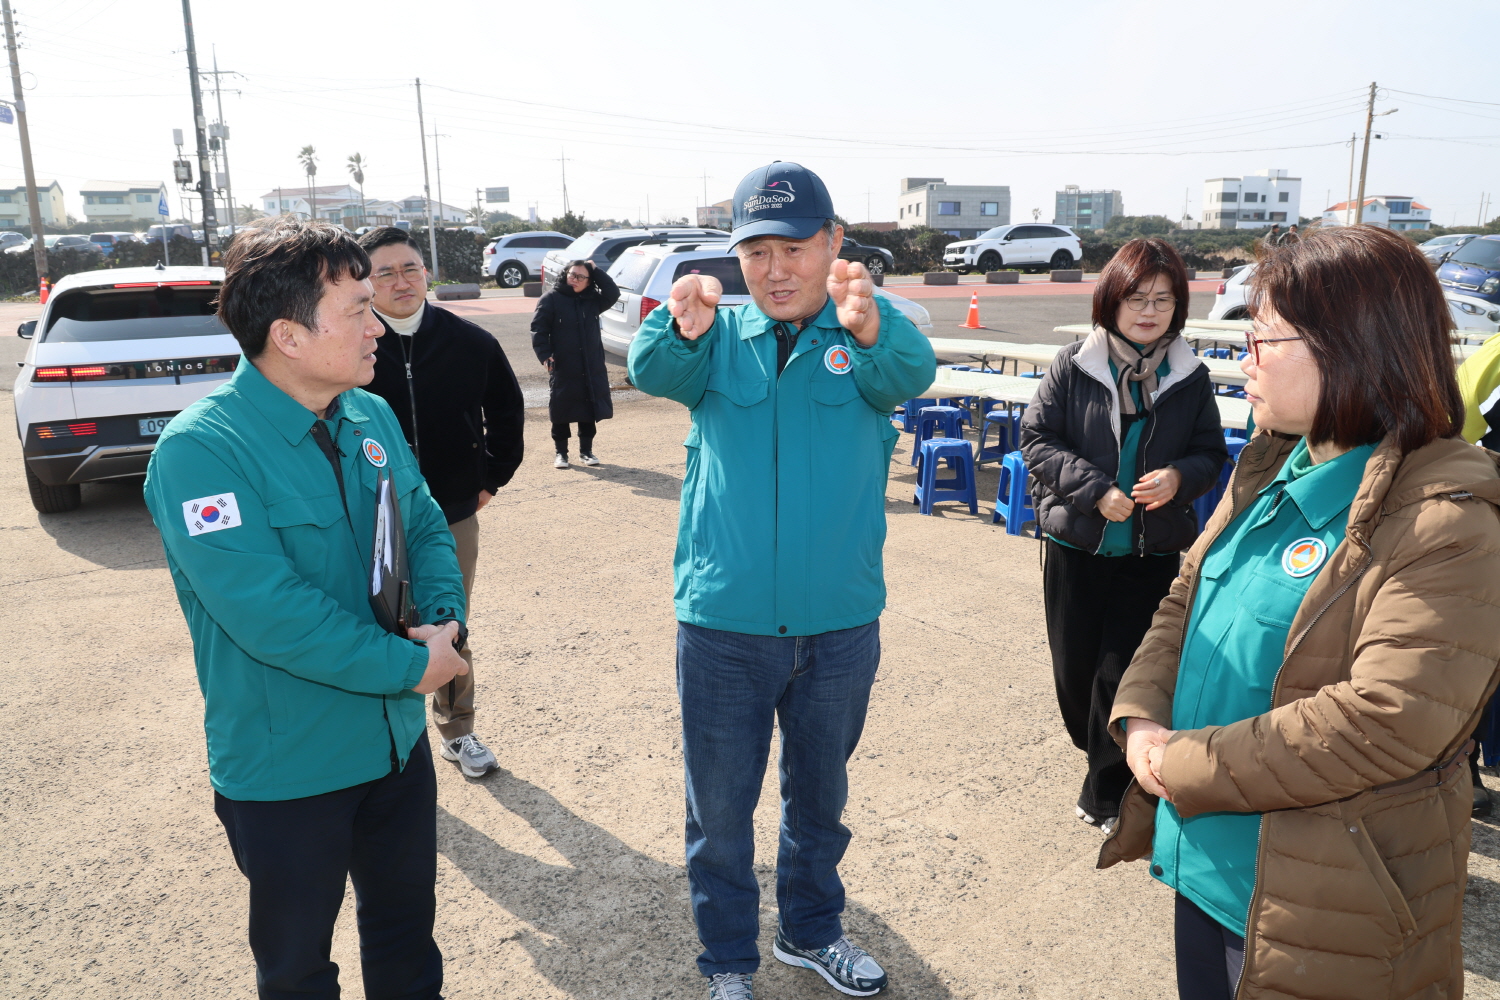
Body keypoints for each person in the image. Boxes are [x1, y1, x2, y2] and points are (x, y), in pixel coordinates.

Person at [1102, 225, 1500, 1000]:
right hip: (1212, 870)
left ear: (1349, 348)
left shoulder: (1446, 520)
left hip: (1323, 908)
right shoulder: (1278, 460)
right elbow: (1187, 595)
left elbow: (1384, 719)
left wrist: (1179, 763)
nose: (1241, 360)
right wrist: (1143, 715)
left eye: (1262, 340)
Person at [628, 161, 935, 1000]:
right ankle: (728, 959)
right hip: (724, 625)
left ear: (834, 244)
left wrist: (872, 328)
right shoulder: (718, 340)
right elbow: (655, 373)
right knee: (720, 813)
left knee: (820, 801)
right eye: (754, 250)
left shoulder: (864, 338)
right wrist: (675, 325)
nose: (773, 270)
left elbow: (911, 374)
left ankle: (810, 931)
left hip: (837, 626)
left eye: (793, 247)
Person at [143, 219, 470, 999]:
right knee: (297, 971)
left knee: (405, 945)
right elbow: (272, 615)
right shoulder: (201, 452)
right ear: (289, 336)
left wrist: (446, 619)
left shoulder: (370, 416)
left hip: (395, 749)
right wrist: (414, 667)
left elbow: (421, 522)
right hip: (290, 769)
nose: (377, 322)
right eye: (356, 309)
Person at [1021, 238, 1228, 835]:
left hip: (1150, 550)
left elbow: (1210, 454)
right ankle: (1097, 749)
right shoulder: (1075, 364)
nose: (1150, 310)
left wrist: (1179, 477)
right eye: (1137, 297)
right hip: (1077, 547)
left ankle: (1110, 789)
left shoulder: (1189, 376)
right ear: (1111, 299)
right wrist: (1093, 491)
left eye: (1164, 300)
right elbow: (1037, 439)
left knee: (1124, 670)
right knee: (1076, 671)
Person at [360, 225, 525, 779]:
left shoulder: (470, 341)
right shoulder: (352, 346)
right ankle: (379, 741)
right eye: (384, 272)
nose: (400, 281)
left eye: (410, 268)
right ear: (366, 282)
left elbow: (506, 412)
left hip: (451, 512)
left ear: (426, 273)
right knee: (368, 625)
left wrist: (489, 479)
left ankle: (458, 730)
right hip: (366, 515)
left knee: (448, 622)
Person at [532, 258, 619, 469]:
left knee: (588, 407)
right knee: (561, 408)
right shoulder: (551, 299)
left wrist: (596, 270)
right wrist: (545, 355)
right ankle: (561, 453)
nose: (575, 280)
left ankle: (586, 451)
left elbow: (613, 293)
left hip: (591, 363)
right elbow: (539, 330)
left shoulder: (592, 300)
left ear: (589, 281)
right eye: (572, 274)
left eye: (581, 276)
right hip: (563, 363)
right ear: (565, 274)